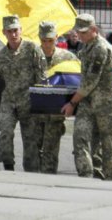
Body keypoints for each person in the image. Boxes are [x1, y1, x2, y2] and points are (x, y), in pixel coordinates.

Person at [0, 15, 46, 172]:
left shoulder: (32, 49)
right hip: (9, 102)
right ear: (4, 33)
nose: (13, 35)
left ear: (21, 30)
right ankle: (8, 168)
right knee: (5, 134)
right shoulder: (0, 56)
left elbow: (42, 78)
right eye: (9, 31)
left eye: (16, 30)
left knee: (30, 141)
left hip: (29, 103)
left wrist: (42, 105)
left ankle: (31, 172)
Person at [61, 13, 112, 180]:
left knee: (108, 147)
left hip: (106, 106)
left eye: (84, 32)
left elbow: (89, 82)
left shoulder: (101, 48)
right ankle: (85, 176)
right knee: (80, 137)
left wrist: (72, 103)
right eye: (78, 32)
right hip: (88, 104)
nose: (80, 36)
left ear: (94, 30)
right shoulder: (86, 47)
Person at [34, 21, 78, 174]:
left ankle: (48, 181)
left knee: (50, 152)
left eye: (50, 40)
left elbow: (77, 81)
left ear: (57, 38)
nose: (47, 44)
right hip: (35, 113)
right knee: (33, 153)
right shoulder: (31, 55)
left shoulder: (68, 58)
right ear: (39, 38)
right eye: (44, 40)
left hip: (55, 114)